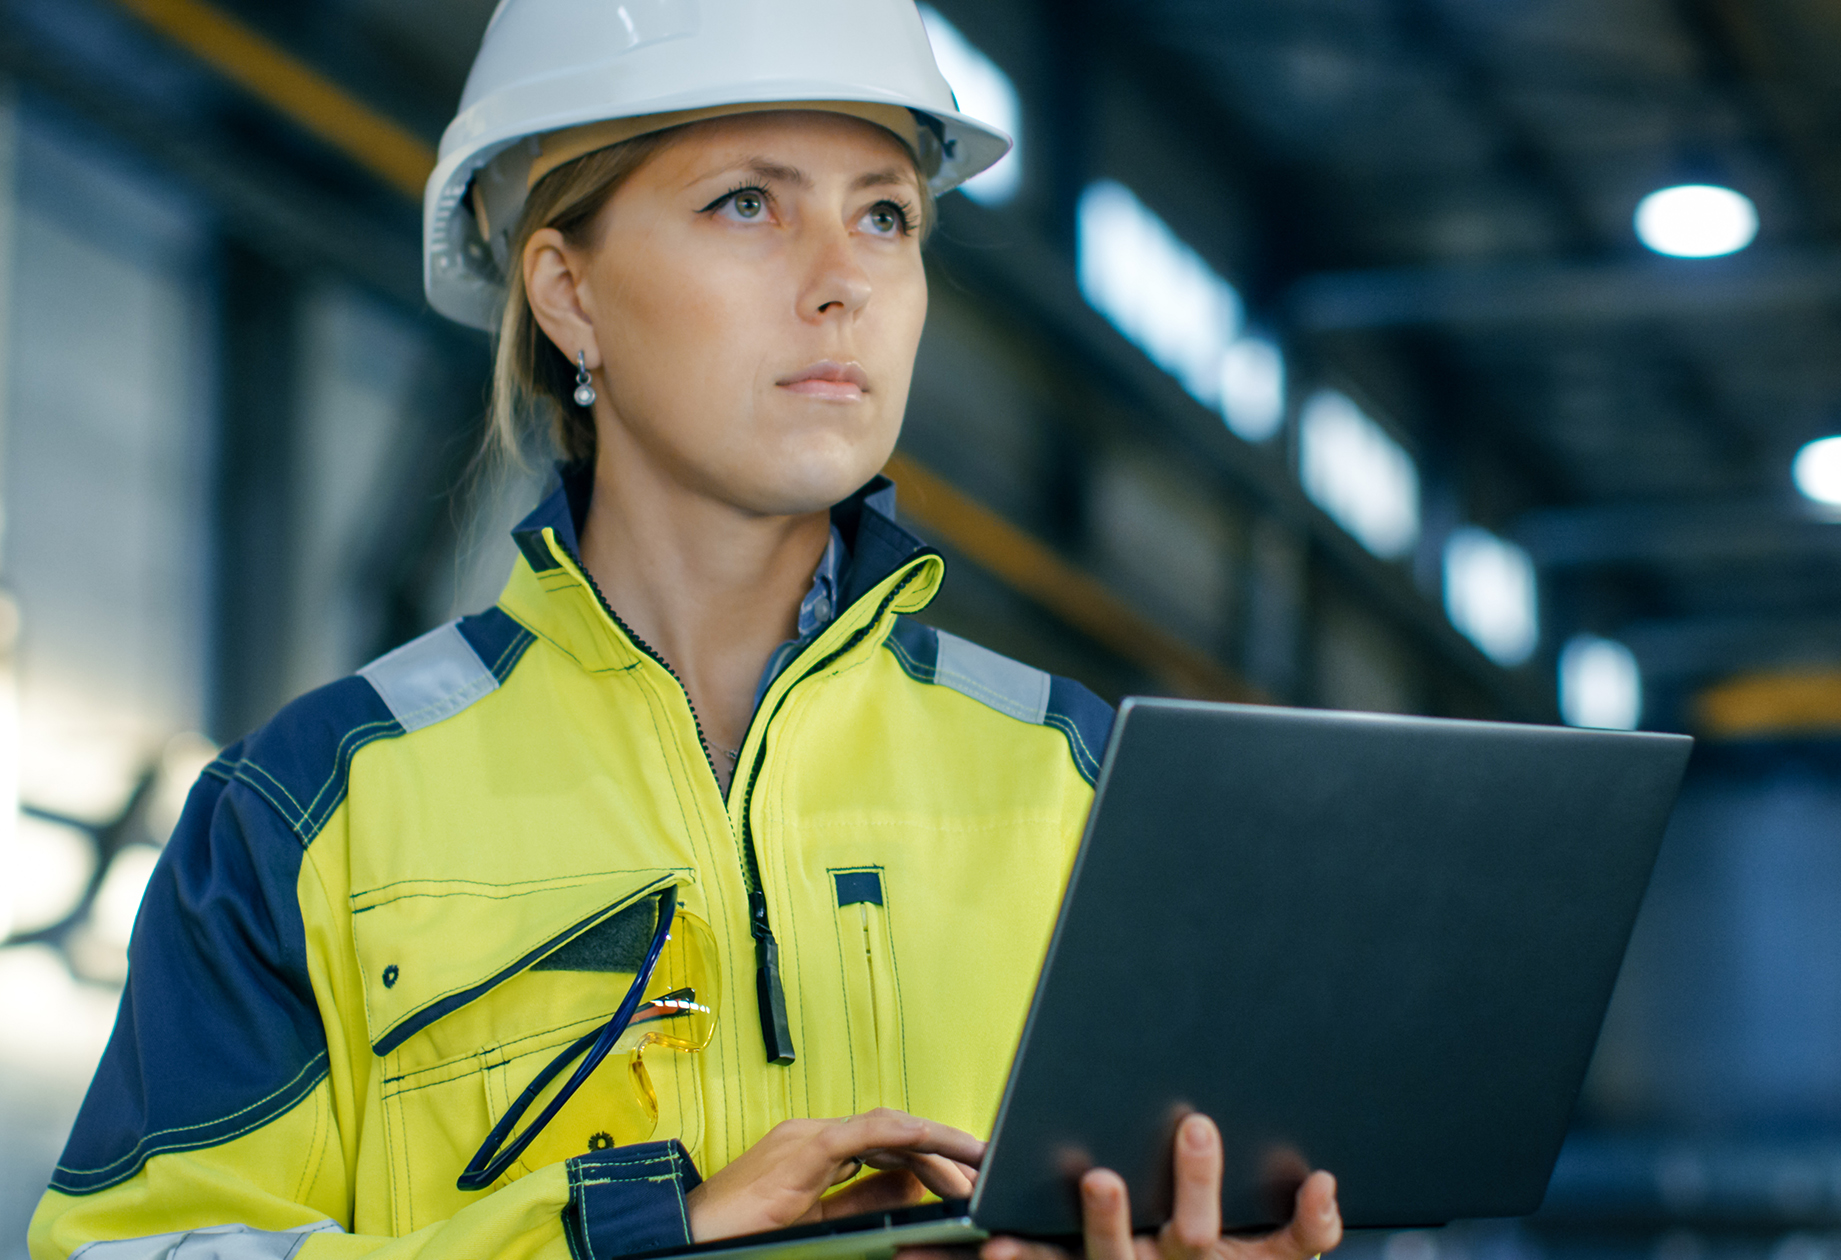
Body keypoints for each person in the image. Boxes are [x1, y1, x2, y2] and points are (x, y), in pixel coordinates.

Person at [29, 3, 1345, 1259]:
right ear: (568, 292)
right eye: (747, 203)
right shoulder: (308, 814)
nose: (845, 284)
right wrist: (640, 1232)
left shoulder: (1084, 780)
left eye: (887, 215)